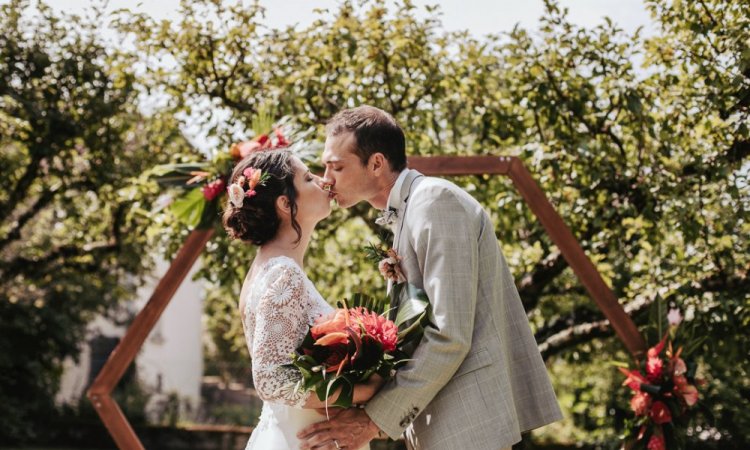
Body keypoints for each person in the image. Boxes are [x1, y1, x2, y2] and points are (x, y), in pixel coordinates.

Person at [298, 105, 563, 450]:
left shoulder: (435, 201)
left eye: (336, 166)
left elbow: (449, 335)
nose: (326, 178)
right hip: (443, 424)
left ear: (376, 163)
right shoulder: (410, 210)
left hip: (467, 423)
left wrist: (373, 420)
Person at [222, 148, 380, 450]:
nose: (323, 181)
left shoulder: (265, 269)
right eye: (308, 178)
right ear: (285, 203)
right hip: (304, 440)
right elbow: (272, 381)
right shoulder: (284, 274)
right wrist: (365, 390)